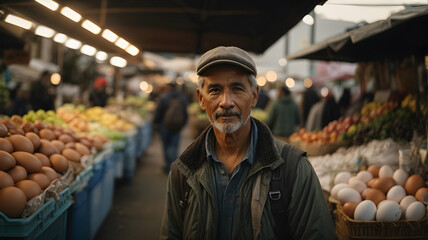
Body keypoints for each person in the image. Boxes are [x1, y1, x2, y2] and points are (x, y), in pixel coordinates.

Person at [160, 46, 335, 239]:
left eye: (237, 88)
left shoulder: (294, 169)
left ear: (254, 96)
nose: (226, 102)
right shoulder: (183, 171)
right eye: (215, 90)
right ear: (201, 99)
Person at [153, 82, 188, 173]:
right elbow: (185, 112)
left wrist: (156, 122)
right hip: (177, 124)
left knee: (166, 145)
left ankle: (168, 166)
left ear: (168, 87)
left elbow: (159, 111)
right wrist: (183, 123)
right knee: (174, 145)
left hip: (164, 124)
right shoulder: (182, 97)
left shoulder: (164, 96)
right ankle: (174, 166)